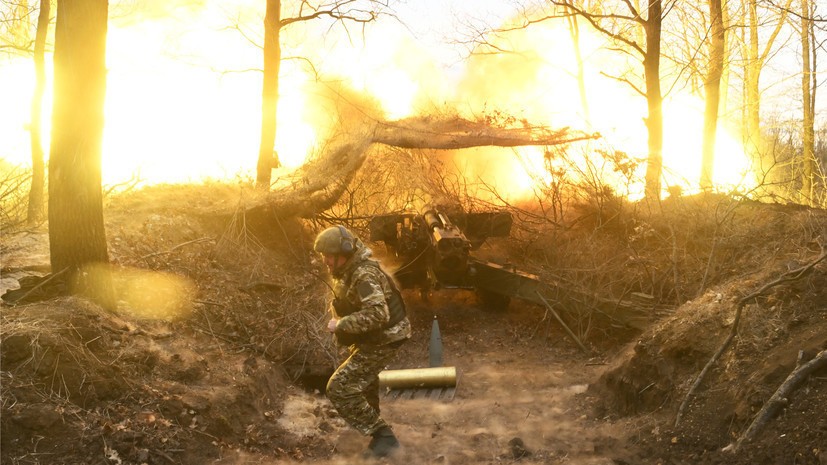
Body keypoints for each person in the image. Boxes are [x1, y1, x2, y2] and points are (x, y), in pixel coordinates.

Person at [313, 225, 411, 458]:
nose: (325, 261)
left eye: (328, 255)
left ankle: (384, 438)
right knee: (364, 382)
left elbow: (379, 314)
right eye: (323, 255)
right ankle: (375, 428)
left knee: (339, 388)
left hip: (386, 337)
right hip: (375, 337)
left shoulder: (363, 274)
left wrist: (342, 325)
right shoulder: (348, 271)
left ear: (344, 253)